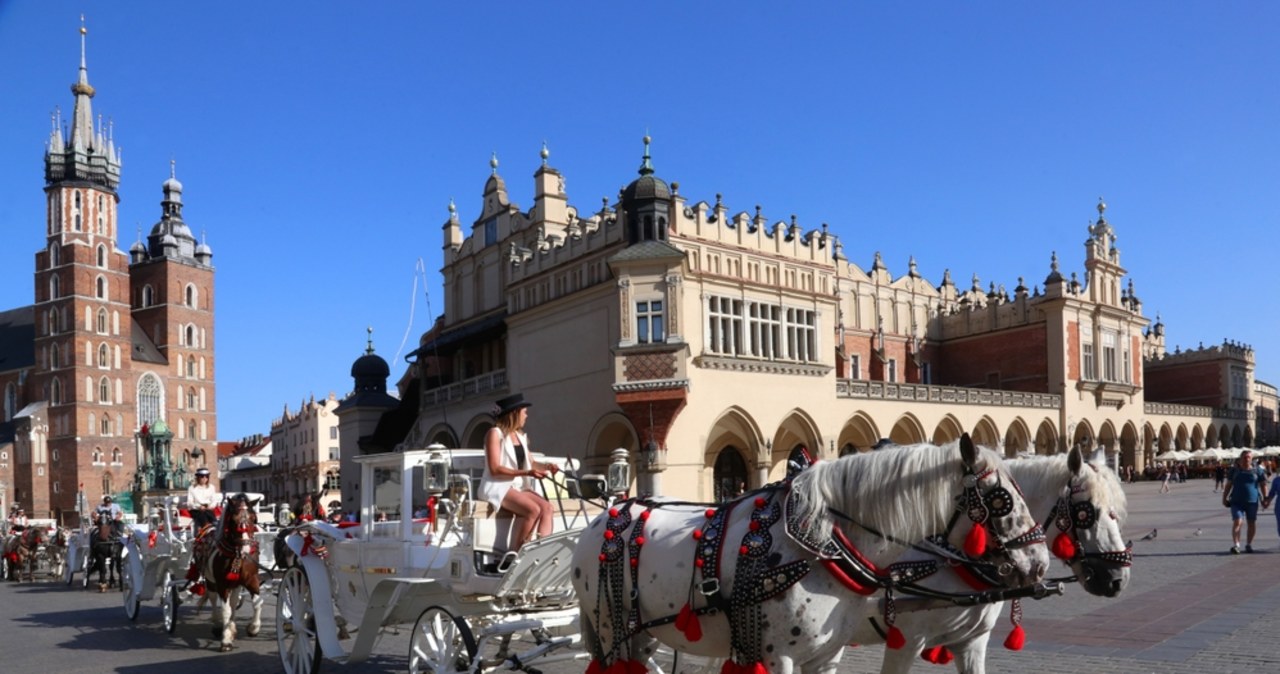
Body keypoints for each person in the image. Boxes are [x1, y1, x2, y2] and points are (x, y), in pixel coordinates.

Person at [478, 392, 554, 554]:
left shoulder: (520, 436)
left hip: (517, 486)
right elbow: (495, 469)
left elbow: (531, 462)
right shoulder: (494, 433)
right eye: (524, 411)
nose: (526, 415)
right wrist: (527, 472)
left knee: (547, 508)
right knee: (533, 510)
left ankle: (543, 550)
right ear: (514, 413)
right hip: (498, 485)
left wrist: (547, 466)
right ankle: (518, 554)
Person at [1223, 450, 1268, 554]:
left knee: (1251, 522)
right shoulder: (1234, 470)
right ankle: (1236, 545)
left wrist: (1265, 498)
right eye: (1244, 457)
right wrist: (1224, 498)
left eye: (1248, 457)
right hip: (1236, 501)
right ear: (1240, 458)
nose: (1246, 459)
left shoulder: (1258, 470)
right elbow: (1228, 485)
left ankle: (1249, 544)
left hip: (1252, 501)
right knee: (1237, 521)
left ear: (1251, 459)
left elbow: (1263, 484)